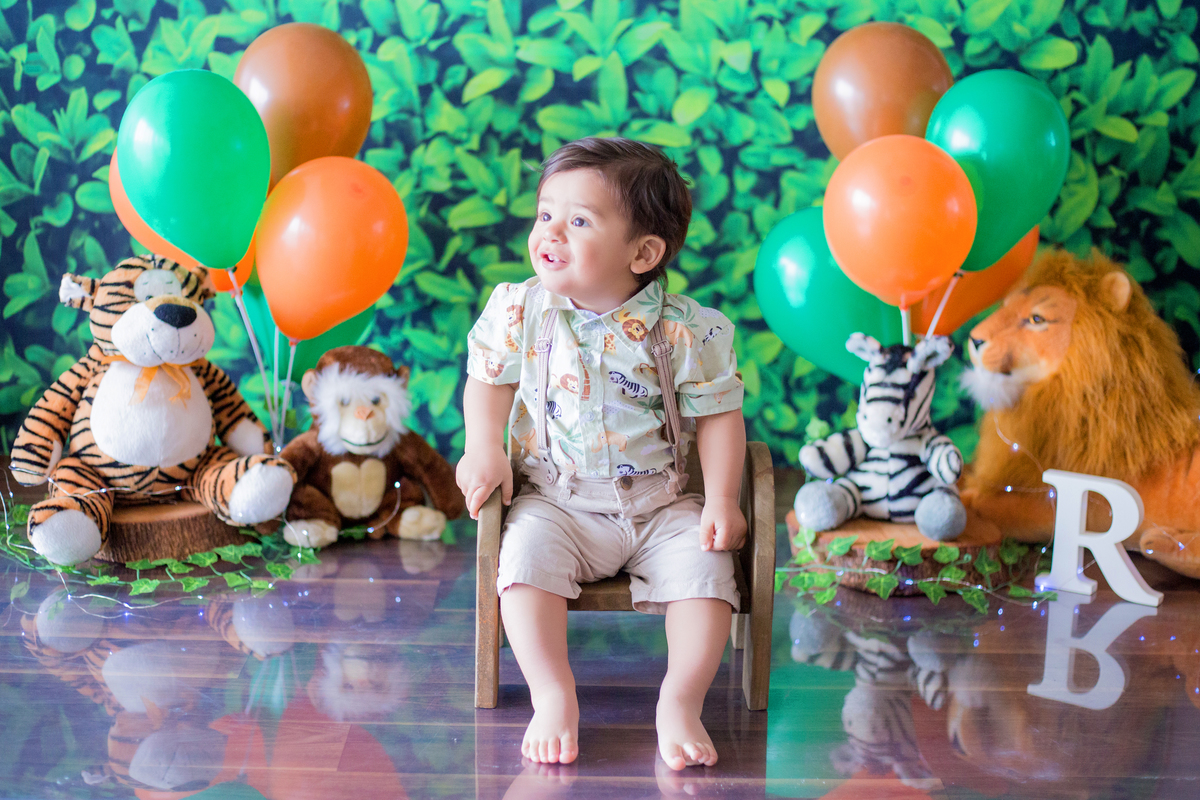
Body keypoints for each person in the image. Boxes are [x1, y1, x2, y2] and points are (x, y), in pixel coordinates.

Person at [457, 137, 746, 770]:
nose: (550, 233)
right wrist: (484, 446)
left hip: (661, 501)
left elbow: (720, 415)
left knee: (708, 579)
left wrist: (721, 499)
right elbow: (489, 379)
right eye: (545, 215)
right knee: (523, 563)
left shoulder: (686, 328)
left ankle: (681, 700)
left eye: (579, 221)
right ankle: (553, 694)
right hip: (556, 499)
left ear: (643, 253)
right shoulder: (520, 308)